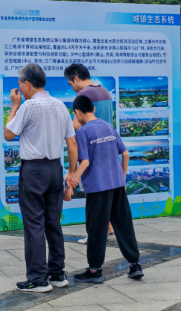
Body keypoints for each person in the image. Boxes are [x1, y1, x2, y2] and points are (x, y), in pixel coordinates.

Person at [4, 63, 78, 293]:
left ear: (26, 84)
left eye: (20, 85)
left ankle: (38, 279)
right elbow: (71, 142)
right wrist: (71, 172)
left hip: (34, 171)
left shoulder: (28, 106)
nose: (19, 89)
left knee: (34, 224)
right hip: (55, 168)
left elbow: (8, 133)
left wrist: (14, 105)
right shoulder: (60, 105)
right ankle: (57, 274)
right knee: (53, 223)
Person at [67, 95, 143, 283]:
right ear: (93, 109)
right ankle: (135, 265)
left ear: (77, 112)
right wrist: (122, 178)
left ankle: (94, 271)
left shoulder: (83, 132)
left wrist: (72, 180)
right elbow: (125, 154)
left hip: (98, 188)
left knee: (97, 228)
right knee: (124, 225)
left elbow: (85, 162)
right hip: (117, 185)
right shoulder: (109, 126)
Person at [64, 63, 116, 245]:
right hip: (108, 150)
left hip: (91, 151)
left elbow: (75, 126)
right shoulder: (105, 92)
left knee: (94, 197)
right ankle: (109, 231)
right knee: (105, 193)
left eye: (71, 83)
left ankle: (95, 235)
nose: (72, 88)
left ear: (76, 78)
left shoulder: (83, 95)